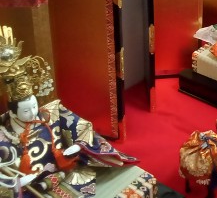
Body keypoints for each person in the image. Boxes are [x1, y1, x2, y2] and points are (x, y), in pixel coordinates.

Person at [0, 26, 136, 198]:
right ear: (13, 113)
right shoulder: (3, 134)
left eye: (34, 106)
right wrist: (15, 183)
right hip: (28, 186)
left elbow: (81, 126)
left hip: (64, 171)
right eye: (26, 110)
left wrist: (77, 145)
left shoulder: (51, 113)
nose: (33, 112)